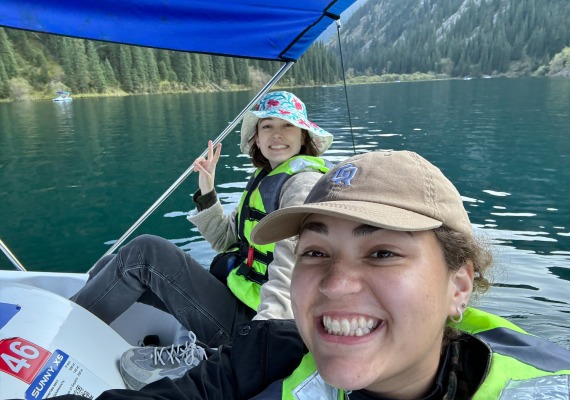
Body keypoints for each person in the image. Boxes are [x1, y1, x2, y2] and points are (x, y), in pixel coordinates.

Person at [49, 150, 570, 400]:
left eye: (383, 253)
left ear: (459, 285)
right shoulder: (271, 354)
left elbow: (277, 278)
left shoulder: (546, 386)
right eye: (316, 252)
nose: (337, 282)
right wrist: (205, 191)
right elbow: (234, 242)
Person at [68, 91, 334, 390]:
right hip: (241, 303)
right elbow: (225, 240)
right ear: (257, 138)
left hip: (260, 328)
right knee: (113, 264)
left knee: (145, 253)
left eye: (287, 125)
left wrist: (260, 344)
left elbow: (293, 268)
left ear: (303, 136)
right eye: (267, 126)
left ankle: (62, 331)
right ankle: (78, 337)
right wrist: (207, 191)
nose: (276, 134)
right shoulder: (266, 178)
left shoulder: (301, 184)